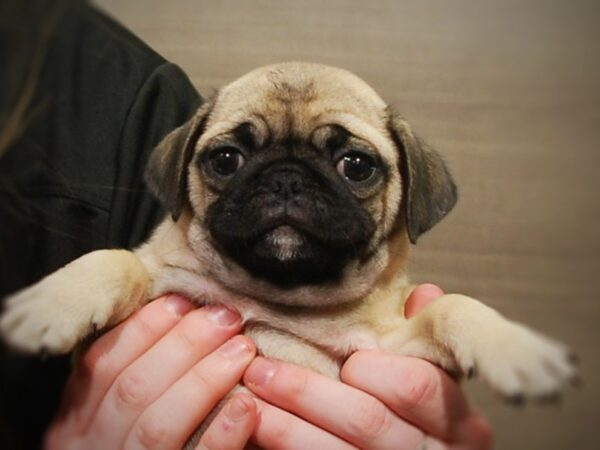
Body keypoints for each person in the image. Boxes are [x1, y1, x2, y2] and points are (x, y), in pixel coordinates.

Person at [0, 1, 492, 448]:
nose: (286, 190)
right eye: (229, 160)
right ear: (180, 178)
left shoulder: (113, 90)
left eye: (354, 168)